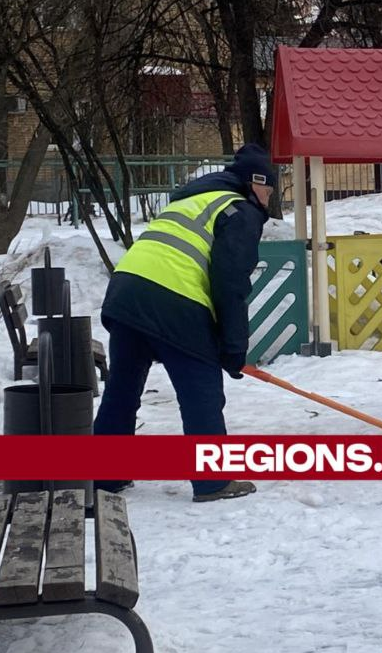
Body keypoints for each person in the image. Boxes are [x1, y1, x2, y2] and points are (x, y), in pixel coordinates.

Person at [93, 144, 275, 501]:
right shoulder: (239, 209)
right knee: (201, 391)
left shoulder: (191, 200)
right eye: (268, 190)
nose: (268, 200)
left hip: (126, 292)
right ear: (255, 184)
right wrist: (233, 348)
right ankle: (213, 481)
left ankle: (104, 476)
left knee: (122, 390)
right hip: (173, 300)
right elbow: (230, 282)